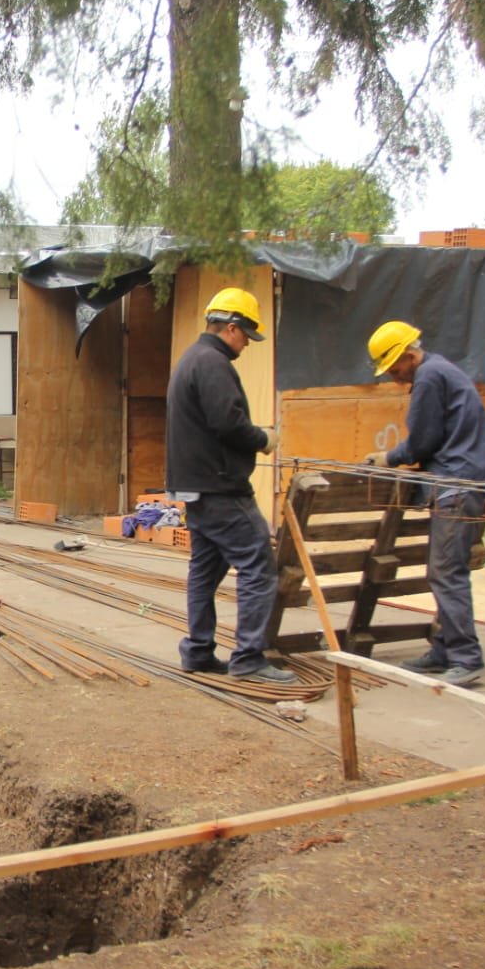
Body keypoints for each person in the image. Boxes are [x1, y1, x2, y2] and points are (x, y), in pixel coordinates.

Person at [363, 321, 485, 686]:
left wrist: (389, 457)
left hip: (456, 487)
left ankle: (466, 656)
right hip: (468, 482)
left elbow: (423, 441)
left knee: (446, 572)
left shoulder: (428, 377)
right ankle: (444, 648)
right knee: (447, 568)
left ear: (410, 356)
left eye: (395, 369)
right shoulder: (442, 370)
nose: (395, 378)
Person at [165, 287, 296, 685]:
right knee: (260, 567)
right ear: (233, 328)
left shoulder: (191, 359)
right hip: (220, 488)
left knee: (205, 571)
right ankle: (249, 658)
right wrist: (263, 438)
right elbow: (227, 422)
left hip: (194, 487)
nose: (247, 346)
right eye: (247, 336)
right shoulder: (213, 362)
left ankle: (199, 652)